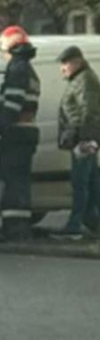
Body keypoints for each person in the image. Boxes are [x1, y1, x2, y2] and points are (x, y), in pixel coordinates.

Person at [0, 26, 40, 241]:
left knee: (10, 182)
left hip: (16, 132)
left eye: (3, 50)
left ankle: (14, 230)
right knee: (17, 181)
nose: (3, 55)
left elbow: (12, 103)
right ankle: (16, 227)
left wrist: (0, 129)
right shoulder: (26, 67)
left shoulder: (17, 68)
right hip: (24, 132)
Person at [55, 46, 100, 239]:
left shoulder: (84, 80)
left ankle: (74, 227)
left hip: (83, 139)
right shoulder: (80, 79)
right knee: (91, 182)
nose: (62, 69)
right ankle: (93, 223)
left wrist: (84, 139)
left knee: (80, 182)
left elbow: (89, 111)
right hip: (83, 138)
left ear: (77, 62)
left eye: (65, 64)